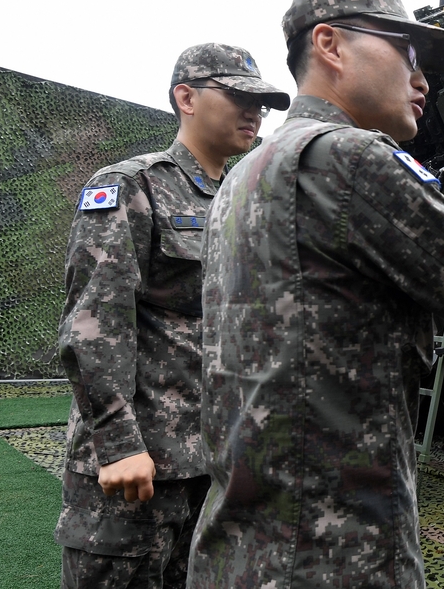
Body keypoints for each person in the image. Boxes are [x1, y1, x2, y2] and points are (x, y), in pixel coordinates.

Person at [187, 0, 444, 588]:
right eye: (405, 51)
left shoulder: (247, 173)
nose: (421, 78)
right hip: (336, 557)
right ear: (329, 45)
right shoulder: (350, 157)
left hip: (243, 549)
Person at [54, 44, 289, 588]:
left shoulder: (242, 200)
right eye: (238, 97)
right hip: (139, 466)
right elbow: (93, 322)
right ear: (186, 97)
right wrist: (118, 443)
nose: (254, 112)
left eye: (263, 103)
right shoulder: (130, 185)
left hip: (214, 463)